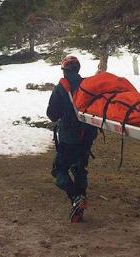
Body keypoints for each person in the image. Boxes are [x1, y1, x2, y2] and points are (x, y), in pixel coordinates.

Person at [46, 55, 97, 223]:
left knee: (59, 170)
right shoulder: (88, 86)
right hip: (87, 135)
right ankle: (80, 202)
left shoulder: (61, 88)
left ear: (64, 70)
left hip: (69, 137)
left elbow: (52, 115)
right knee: (79, 169)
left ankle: (76, 198)